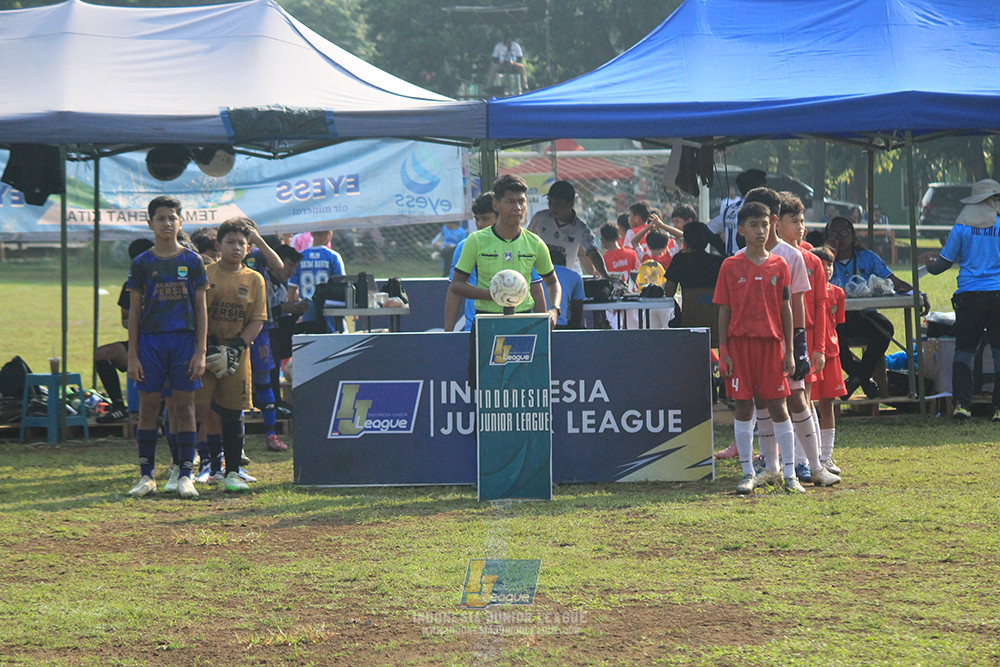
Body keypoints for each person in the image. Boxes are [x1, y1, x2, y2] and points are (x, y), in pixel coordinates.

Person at [713, 201, 803, 494]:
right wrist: (723, 351)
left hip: (771, 346)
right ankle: (748, 473)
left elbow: (786, 309)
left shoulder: (781, 264)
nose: (761, 231)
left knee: (778, 406)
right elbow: (723, 311)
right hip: (740, 347)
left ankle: (789, 474)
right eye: (753, 225)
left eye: (765, 224)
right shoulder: (730, 266)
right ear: (741, 230)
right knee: (743, 406)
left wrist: (790, 350)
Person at [125, 196, 208, 498]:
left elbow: (201, 311)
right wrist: (133, 354)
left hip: (184, 341)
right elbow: (134, 312)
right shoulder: (142, 263)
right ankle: (147, 476)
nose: (167, 223)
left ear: (180, 222)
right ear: (150, 223)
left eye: (172, 217)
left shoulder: (193, 261)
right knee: (148, 409)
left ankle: (185, 474)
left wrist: (200, 351)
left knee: (184, 408)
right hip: (151, 343)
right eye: (160, 218)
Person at [446, 174, 561, 382]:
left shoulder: (534, 243)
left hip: (524, 324)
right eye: (510, 201)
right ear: (496, 204)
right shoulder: (476, 241)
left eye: (521, 201)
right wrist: (494, 296)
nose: (517, 207)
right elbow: (456, 285)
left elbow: (552, 283)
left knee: (525, 387)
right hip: (486, 324)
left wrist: (554, 310)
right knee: (486, 393)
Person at [197, 217, 267, 492]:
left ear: (248, 249)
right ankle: (210, 466)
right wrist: (208, 345)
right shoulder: (205, 274)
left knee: (232, 412)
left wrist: (237, 347)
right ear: (218, 245)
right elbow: (196, 314)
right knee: (201, 408)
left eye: (242, 243)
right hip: (204, 352)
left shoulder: (254, 279)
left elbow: (257, 319)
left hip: (237, 354)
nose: (236, 247)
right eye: (230, 242)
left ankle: (234, 471)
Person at [774, 192, 839, 486]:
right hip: (778, 338)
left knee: (804, 399)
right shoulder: (773, 258)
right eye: (794, 221)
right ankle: (780, 460)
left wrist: (819, 348)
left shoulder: (811, 260)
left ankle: (807, 462)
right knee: (778, 401)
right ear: (778, 224)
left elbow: (821, 308)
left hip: (807, 337)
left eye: (802, 221)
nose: (800, 226)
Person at [824, 215, 927, 399]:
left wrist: (919, 295)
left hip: (865, 315)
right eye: (833, 232)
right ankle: (862, 377)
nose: (839, 236)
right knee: (829, 337)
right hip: (837, 318)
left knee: (886, 328)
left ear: (853, 235)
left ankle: (856, 378)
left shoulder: (867, 258)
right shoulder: (823, 262)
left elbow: (894, 282)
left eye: (844, 231)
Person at [924, 178, 1000, 420]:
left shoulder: (962, 226)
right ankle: (998, 408)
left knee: (965, 350)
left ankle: (962, 405)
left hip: (969, 295)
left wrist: (931, 267)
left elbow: (944, 263)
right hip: (998, 294)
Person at [448, 193, 547, 332]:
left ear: (500, 215)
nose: (480, 224)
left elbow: (536, 289)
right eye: (477, 219)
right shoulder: (467, 245)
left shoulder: (525, 244)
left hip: (519, 324)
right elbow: (454, 290)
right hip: (479, 325)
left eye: (485, 218)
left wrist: (542, 327)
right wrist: (448, 332)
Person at [240, 220, 289, 452]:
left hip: (261, 326)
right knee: (235, 382)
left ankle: (270, 434)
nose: (243, 239)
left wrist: (258, 240)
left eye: (247, 233)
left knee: (263, 379)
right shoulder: (228, 255)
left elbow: (278, 265)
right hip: (234, 327)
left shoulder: (258, 254)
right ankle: (235, 441)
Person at [94, 239, 154, 424]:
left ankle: (160, 415)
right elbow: (125, 319)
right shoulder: (129, 284)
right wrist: (138, 319)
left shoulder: (167, 281)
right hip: (139, 342)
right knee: (101, 354)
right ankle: (119, 407)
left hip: (163, 343)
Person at [810, 246, 846, 473]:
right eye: (821, 265)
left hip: (831, 354)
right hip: (812, 354)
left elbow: (836, 323)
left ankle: (826, 456)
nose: (826, 269)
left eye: (830, 264)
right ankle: (805, 456)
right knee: (804, 404)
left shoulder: (838, 293)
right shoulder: (805, 293)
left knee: (827, 404)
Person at [528, 180, 608, 279]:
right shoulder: (539, 218)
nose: (553, 207)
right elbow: (527, 243)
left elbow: (593, 253)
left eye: (558, 204)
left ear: (570, 204)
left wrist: (605, 276)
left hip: (566, 278)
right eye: (550, 202)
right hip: (541, 277)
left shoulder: (581, 229)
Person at [267, 244, 308, 413]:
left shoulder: (281, 288)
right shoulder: (262, 281)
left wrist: (297, 313)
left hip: (275, 333)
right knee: (273, 344)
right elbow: (259, 315)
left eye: (295, 267)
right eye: (290, 264)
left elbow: (282, 323)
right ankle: (274, 401)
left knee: (310, 330)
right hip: (260, 336)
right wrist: (282, 309)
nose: (292, 271)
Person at [663, 222, 724, 325]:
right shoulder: (718, 261)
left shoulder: (680, 260)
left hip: (690, 318)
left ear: (685, 242)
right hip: (716, 319)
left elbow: (669, 292)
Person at [286, 229, 346, 334]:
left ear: (311, 234)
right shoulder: (333, 257)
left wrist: (292, 312)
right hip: (329, 308)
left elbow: (292, 288)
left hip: (307, 307)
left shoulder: (300, 257)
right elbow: (341, 284)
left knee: (311, 340)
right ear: (329, 235)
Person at [708, 168, 766, 255]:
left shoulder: (731, 209)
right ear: (760, 188)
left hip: (732, 256)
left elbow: (709, 230)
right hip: (753, 259)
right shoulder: (763, 211)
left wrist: (724, 249)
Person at [544, 249, 584, 329]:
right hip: (559, 324)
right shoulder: (575, 276)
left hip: (536, 324)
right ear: (565, 264)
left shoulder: (534, 273)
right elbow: (577, 311)